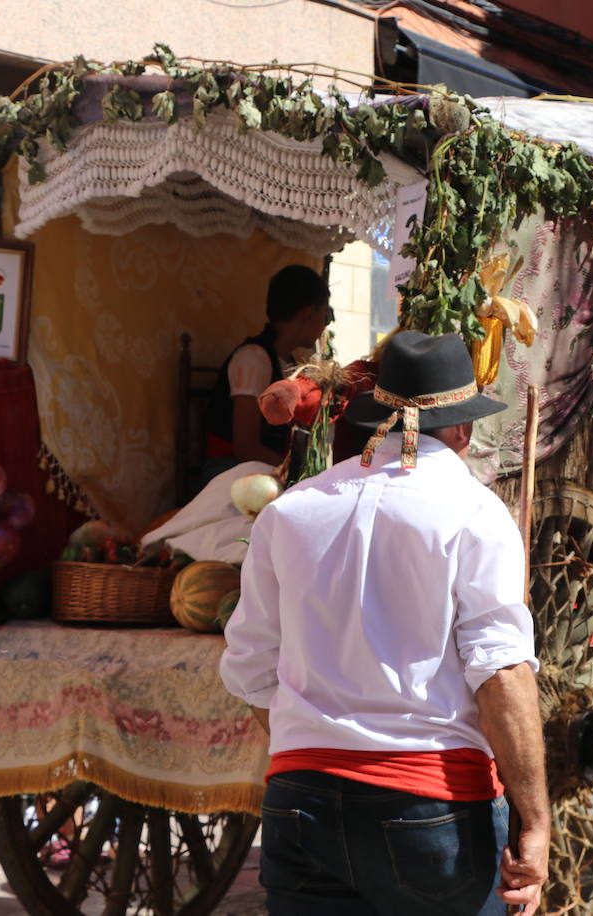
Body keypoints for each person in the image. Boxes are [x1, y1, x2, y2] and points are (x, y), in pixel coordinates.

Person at [219, 331, 549, 915]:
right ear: (463, 429)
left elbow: (248, 670)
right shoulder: (474, 511)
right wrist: (538, 819)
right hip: (429, 807)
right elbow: (500, 673)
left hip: (300, 803)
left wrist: (320, 743)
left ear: (380, 415)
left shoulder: (288, 511)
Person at [203, 265, 333, 477]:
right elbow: (245, 448)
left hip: (262, 470)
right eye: (325, 316)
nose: (323, 326)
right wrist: (299, 473)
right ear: (309, 314)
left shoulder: (286, 361)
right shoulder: (253, 358)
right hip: (230, 472)